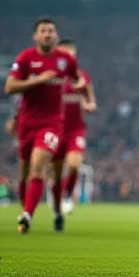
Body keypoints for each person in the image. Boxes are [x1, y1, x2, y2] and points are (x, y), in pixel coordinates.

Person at [4, 17, 84, 234]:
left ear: (56, 36)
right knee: (24, 172)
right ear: (36, 36)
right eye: (43, 31)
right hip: (27, 123)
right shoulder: (26, 58)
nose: (47, 34)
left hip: (53, 124)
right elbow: (10, 87)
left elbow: (79, 80)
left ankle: (30, 215)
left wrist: (86, 94)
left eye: (51, 30)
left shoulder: (65, 60)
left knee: (39, 166)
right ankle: (26, 209)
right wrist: (38, 81)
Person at [54, 40, 97, 215]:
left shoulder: (81, 77)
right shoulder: (50, 77)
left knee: (74, 164)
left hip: (75, 130)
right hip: (53, 129)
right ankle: (55, 199)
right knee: (53, 172)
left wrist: (90, 104)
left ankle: (67, 195)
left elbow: (90, 98)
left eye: (70, 54)